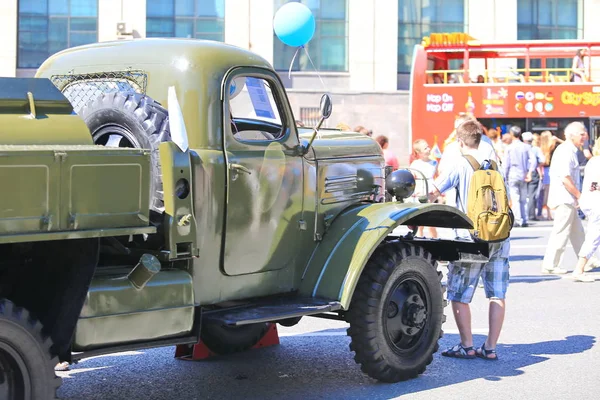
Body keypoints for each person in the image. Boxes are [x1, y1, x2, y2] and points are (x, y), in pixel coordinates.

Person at [428, 120, 510, 361]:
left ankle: (467, 345)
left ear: (460, 142)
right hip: (499, 236)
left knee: (459, 295)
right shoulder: (496, 165)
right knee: (497, 294)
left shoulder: (459, 164)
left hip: (470, 238)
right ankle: (491, 347)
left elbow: (433, 191)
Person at [541, 122, 599, 274]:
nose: (585, 137)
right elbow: (565, 178)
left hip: (568, 198)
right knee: (561, 231)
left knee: (577, 231)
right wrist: (580, 196)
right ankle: (551, 265)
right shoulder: (566, 151)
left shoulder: (570, 150)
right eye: (582, 134)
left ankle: (587, 259)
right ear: (572, 135)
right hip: (564, 197)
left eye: (585, 133)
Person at [571, 141, 600, 282]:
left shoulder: (593, 161)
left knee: (594, 235)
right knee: (594, 236)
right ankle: (579, 269)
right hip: (597, 202)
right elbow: (596, 185)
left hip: (589, 201)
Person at [503, 126, 536, 227]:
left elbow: (506, 164)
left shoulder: (509, 147)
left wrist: (504, 176)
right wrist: (530, 172)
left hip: (513, 174)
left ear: (512, 134)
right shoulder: (526, 147)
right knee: (523, 198)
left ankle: (518, 219)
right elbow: (533, 160)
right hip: (523, 174)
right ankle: (524, 219)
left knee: (515, 197)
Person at [409, 139, 438, 238]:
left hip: (431, 192)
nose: (428, 149)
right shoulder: (415, 164)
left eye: (428, 146)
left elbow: (436, 177)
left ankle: (435, 239)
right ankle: (418, 238)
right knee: (420, 221)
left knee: (432, 221)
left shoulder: (434, 162)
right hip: (419, 192)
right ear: (419, 152)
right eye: (425, 148)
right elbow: (412, 178)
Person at [523, 132, 545, 221]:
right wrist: (538, 165)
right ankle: (531, 215)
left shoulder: (520, 148)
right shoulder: (536, 149)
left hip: (522, 172)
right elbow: (542, 160)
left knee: (521, 194)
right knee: (532, 195)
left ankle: (522, 215)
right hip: (533, 173)